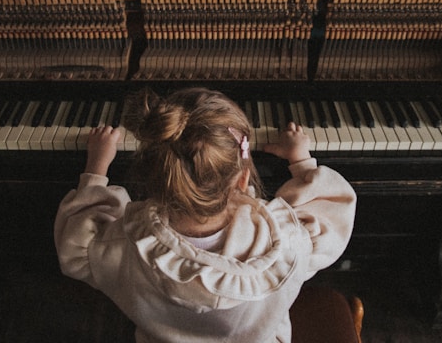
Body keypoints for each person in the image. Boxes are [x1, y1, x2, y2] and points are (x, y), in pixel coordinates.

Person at [54, 87, 357, 342]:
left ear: (158, 179)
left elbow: (78, 242)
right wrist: (302, 161)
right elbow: (331, 207)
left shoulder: (123, 246)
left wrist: (96, 168)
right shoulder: (290, 244)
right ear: (242, 179)